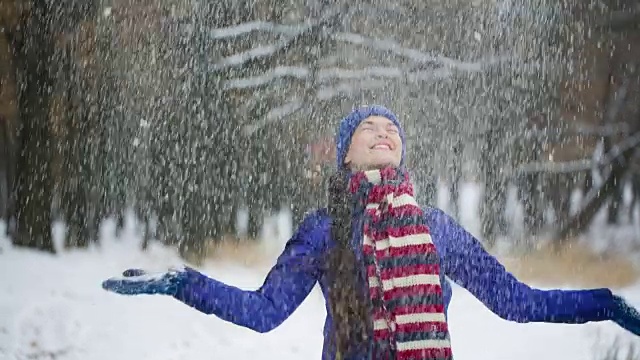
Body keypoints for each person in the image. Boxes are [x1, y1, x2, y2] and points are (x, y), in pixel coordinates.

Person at [102, 105, 640, 360]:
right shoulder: (323, 231)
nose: (383, 132)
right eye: (368, 128)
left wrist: (606, 304)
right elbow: (262, 313)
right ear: (347, 154)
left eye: (392, 129)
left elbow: (515, 302)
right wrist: (181, 283)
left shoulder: (435, 227)